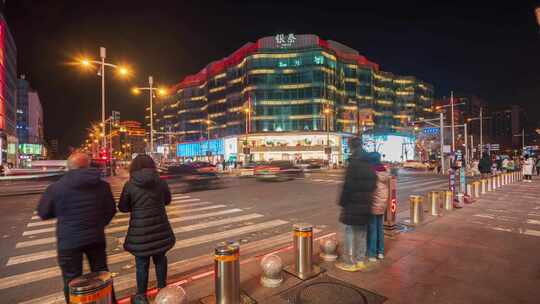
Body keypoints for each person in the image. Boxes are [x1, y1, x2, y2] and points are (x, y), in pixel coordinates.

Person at [36, 152, 117, 303]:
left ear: (69, 167)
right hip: (95, 238)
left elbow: (43, 212)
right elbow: (111, 210)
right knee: (102, 275)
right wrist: (98, 224)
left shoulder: (56, 187)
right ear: (88, 165)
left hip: (69, 241)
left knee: (71, 280)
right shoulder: (102, 186)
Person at [119, 154, 176, 304]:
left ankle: (141, 296)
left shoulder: (130, 184)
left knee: (141, 264)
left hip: (140, 232)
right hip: (160, 228)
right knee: (160, 260)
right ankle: (162, 292)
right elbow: (167, 200)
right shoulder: (161, 182)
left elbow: (123, 207)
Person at [335, 138, 375, 272]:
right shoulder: (370, 162)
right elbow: (374, 184)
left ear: (352, 147)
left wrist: (342, 202)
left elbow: (348, 186)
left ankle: (349, 262)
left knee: (349, 234)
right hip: (366, 204)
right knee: (362, 234)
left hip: (353, 205)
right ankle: (360, 261)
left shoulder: (353, 163)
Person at [366, 152, 390, 262]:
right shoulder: (384, 171)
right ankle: (380, 251)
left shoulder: (372, 172)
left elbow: (371, 190)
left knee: (372, 229)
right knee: (380, 228)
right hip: (382, 204)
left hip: (373, 204)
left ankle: (372, 253)